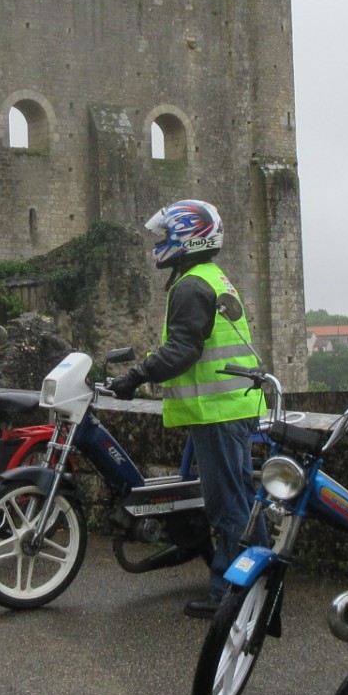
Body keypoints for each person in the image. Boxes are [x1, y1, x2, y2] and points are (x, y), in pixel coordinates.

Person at [104, 200, 263, 617]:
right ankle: (260, 580)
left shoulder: (192, 286)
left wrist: (135, 376)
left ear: (188, 237)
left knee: (227, 505)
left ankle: (231, 595)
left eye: (165, 236)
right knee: (242, 499)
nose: (159, 244)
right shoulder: (211, 276)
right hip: (231, 405)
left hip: (218, 411)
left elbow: (183, 350)